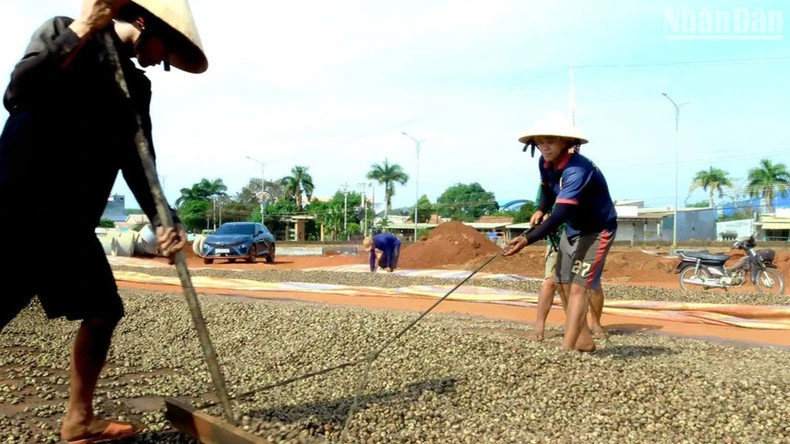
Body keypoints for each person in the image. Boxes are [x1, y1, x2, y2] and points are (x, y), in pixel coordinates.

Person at [0, 0, 207, 441]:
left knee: (102, 310)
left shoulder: (135, 86)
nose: (160, 63)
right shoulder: (63, 32)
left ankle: (78, 419)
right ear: (142, 22)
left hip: (70, 220)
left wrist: (163, 219)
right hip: (18, 207)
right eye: (163, 51)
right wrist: (83, 27)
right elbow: (17, 91)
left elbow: (140, 160)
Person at [504, 114, 617, 352]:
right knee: (562, 282)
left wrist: (527, 238)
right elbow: (547, 191)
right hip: (574, 228)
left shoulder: (577, 170)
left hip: (597, 230)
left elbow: (561, 213)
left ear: (566, 142)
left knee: (578, 287)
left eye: (551, 141)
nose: (545, 147)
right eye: (540, 141)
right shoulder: (545, 163)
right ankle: (584, 340)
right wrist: (540, 208)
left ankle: (566, 350)